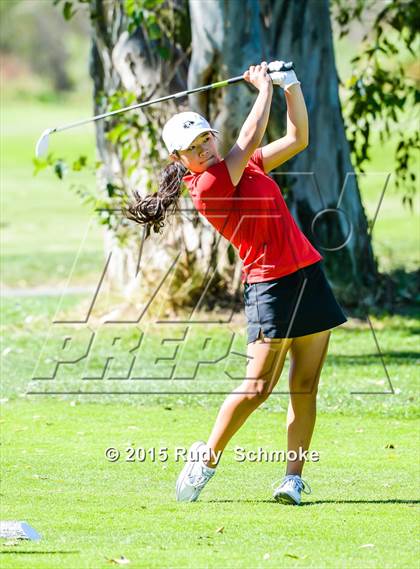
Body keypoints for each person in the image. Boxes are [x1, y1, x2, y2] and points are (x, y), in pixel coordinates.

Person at [125, 61, 348, 505]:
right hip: (270, 286)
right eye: (193, 146)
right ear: (179, 159)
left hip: (308, 276)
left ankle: (292, 479)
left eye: (206, 138)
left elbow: (298, 138)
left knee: (305, 385)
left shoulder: (247, 166)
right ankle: (205, 458)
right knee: (257, 389)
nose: (204, 148)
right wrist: (262, 88)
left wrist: (291, 86)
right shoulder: (206, 184)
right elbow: (247, 138)